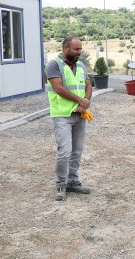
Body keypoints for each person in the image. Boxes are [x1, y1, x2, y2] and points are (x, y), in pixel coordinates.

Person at [45, 36, 93, 201]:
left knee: (77, 151)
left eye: (80, 49)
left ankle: (73, 181)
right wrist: (80, 100)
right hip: (62, 115)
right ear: (66, 48)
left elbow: (88, 85)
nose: (79, 52)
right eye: (76, 49)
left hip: (80, 115)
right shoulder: (54, 65)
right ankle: (60, 184)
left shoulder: (80, 65)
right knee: (64, 151)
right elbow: (58, 88)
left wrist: (85, 102)